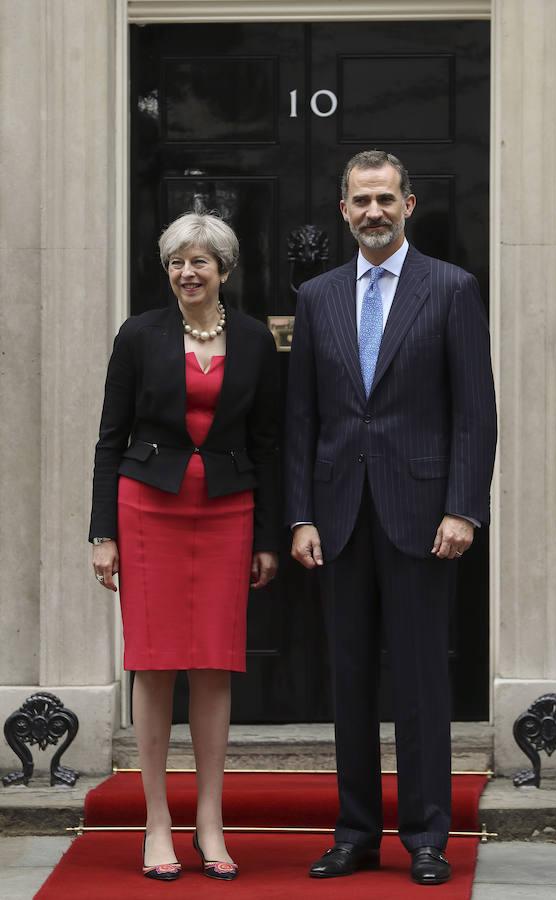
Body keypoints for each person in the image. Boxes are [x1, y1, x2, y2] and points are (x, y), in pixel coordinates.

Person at [285, 150, 496, 886]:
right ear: (342, 210)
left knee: (419, 684)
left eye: (384, 198)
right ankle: (355, 834)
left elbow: (474, 413)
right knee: (347, 683)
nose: (372, 211)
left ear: (408, 204)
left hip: (422, 515)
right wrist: (300, 515)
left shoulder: (452, 289)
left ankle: (427, 836)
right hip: (338, 517)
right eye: (359, 200)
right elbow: (302, 417)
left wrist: (464, 507)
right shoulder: (315, 297)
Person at [89, 212, 280, 882]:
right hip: (147, 511)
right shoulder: (139, 336)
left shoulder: (255, 342)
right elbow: (109, 438)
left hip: (227, 511)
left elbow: (265, 444)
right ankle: (156, 821)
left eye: (200, 261)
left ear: (223, 268)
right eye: (176, 261)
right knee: (154, 662)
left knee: (211, 663)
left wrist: (266, 539)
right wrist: (101, 533)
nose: (186, 272)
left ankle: (208, 820)